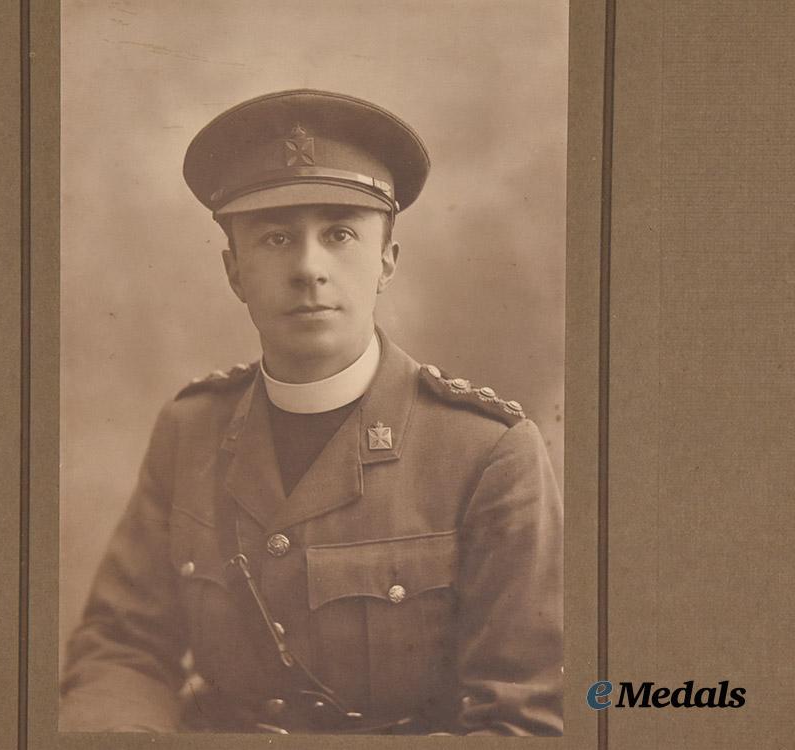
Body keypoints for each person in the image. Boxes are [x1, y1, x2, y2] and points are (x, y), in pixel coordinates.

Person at [60, 89, 563, 735]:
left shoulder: (487, 452)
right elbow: (122, 648)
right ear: (234, 270)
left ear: (386, 260)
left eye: (340, 234)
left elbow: (524, 721)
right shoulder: (191, 429)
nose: (308, 269)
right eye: (274, 238)